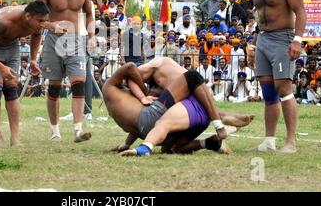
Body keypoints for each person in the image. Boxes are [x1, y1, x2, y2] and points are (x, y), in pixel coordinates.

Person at [104, 63, 252, 156]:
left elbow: (136, 123)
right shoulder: (109, 85)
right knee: (193, 76)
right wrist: (145, 93)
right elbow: (130, 67)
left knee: (171, 149)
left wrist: (127, 144)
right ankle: (219, 121)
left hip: (147, 131)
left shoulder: (115, 104)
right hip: (154, 119)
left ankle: (207, 143)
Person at [244, 0, 307, 154]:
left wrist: (297, 40)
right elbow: (259, 16)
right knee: (268, 92)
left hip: (283, 38)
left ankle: (290, 143)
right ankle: (269, 142)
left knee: (284, 89)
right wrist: (253, 45)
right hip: (263, 39)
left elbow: (300, 11)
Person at [36, 0, 95, 143]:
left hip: (76, 40)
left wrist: (92, 35)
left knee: (79, 83)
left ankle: (78, 130)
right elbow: (34, 18)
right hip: (53, 41)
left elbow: (89, 15)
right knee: (54, 87)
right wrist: (51, 26)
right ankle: (55, 131)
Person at [0, 1, 50, 146]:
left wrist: (33, 60)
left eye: (45, 21)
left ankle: (15, 138)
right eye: (40, 21)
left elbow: (36, 35)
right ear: (28, 16)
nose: (43, 24)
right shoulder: (4, 23)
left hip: (11, 46)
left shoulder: (37, 22)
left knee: (11, 88)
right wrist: (1, 67)